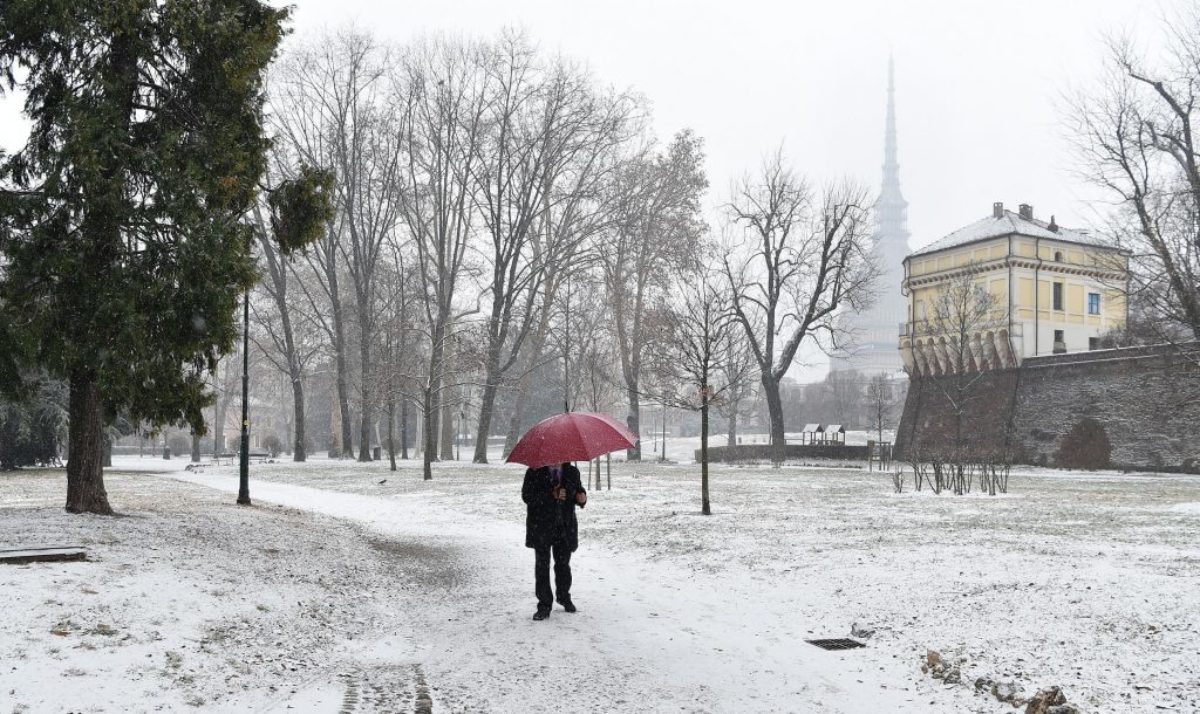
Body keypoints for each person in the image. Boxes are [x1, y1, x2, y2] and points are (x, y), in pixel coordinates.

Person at [522, 461, 587, 620]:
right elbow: (527, 496)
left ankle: (563, 596)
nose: (558, 459)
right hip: (541, 527)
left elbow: (578, 491)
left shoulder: (572, 472)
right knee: (542, 566)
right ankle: (544, 604)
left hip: (564, 527)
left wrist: (582, 498)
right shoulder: (534, 471)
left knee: (563, 565)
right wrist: (550, 495)